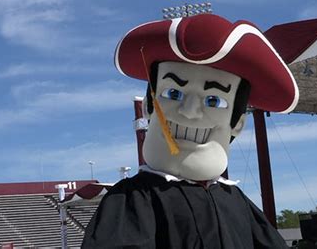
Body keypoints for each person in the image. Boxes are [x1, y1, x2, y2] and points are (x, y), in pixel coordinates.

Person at [82, 13, 298, 248]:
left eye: (214, 100)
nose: (190, 111)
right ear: (148, 107)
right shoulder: (131, 200)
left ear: (238, 124)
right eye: (173, 94)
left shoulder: (235, 202)